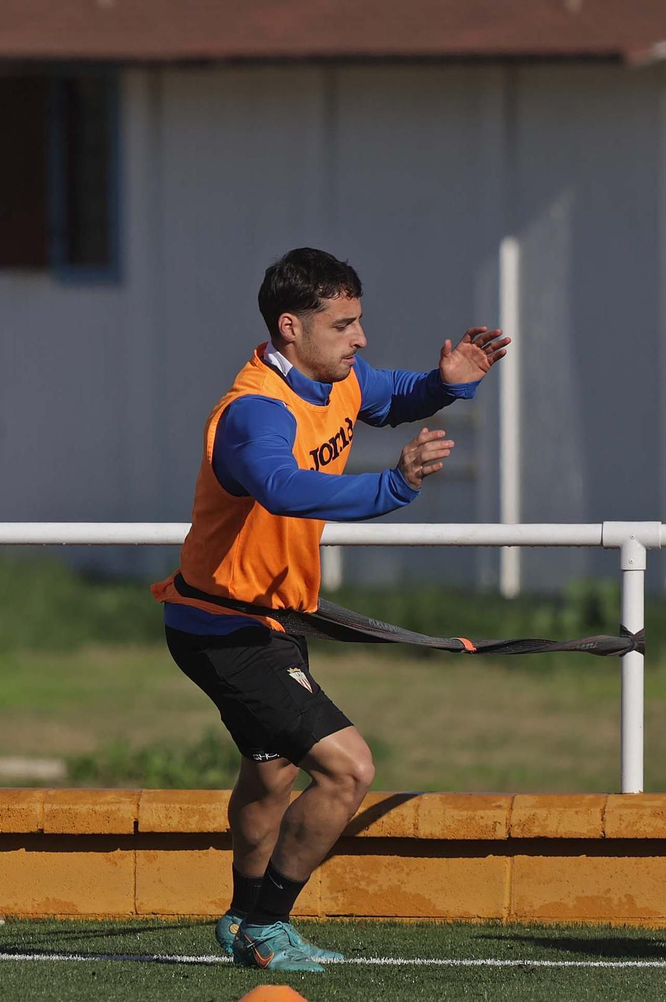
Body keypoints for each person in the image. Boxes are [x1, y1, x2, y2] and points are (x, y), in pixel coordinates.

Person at [152, 247, 510, 972]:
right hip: (226, 627)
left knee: (272, 775)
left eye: (359, 321)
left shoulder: (338, 378)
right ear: (290, 327)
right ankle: (268, 924)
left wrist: (446, 383)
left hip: (270, 619)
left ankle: (241, 915)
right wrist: (393, 488)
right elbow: (281, 488)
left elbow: (392, 395)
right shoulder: (255, 411)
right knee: (347, 770)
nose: (361, 339)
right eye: (344, 325)